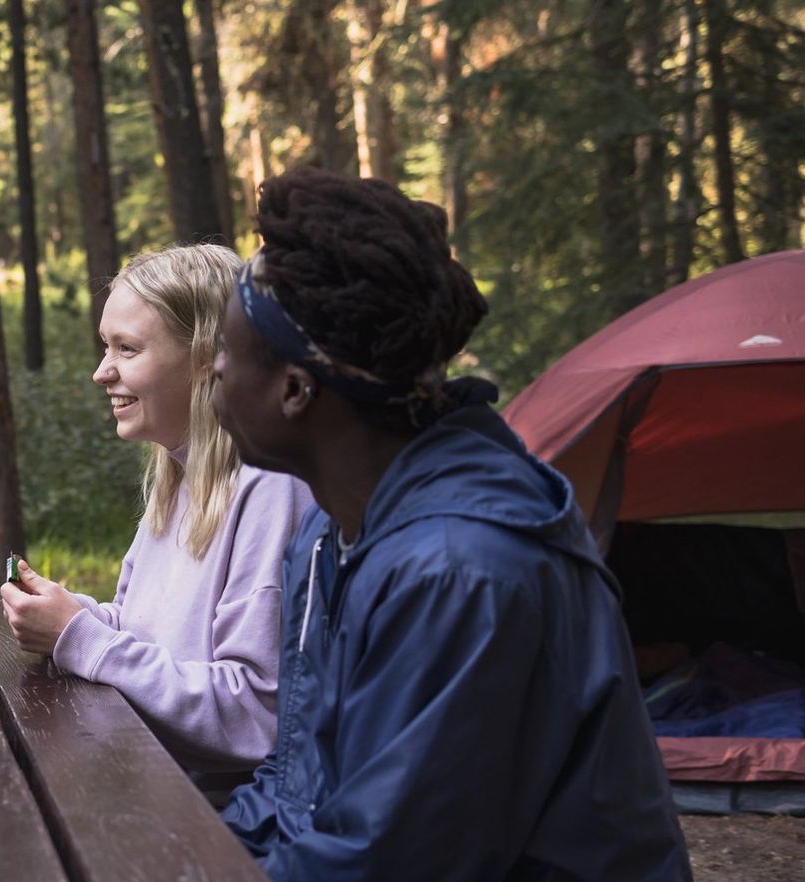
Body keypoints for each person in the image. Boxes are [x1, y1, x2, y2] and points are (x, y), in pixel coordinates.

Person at [210, 168, 690, 879]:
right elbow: (296, 789)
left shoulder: (461, 572)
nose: (210, 370)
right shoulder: (328, 541)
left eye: (226, 352)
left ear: (294, 391)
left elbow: (386, 863)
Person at [0, 245, 311, 799]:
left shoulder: (269, 489)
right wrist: (74, 615)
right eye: (105, 345)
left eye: (127, 348)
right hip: (153, 783)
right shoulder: (178, 473)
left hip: (223, 821)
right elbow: (145, 634)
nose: (102, 372)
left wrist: (81, 638)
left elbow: (253, 715)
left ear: (205, 357)